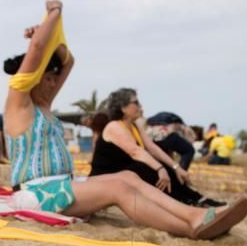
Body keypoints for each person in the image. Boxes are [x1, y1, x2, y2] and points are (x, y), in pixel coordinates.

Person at [2, 0, 247, 240]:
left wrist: (50, 43)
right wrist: (54, 13)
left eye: (55, 78)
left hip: (61, 187)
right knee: (118, 189)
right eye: (48, 78)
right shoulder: (19, 103)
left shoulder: (44, 105)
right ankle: (190, 227)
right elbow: (36, 50)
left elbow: (69, 62)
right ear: (33, 78)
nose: (54, 83)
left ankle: (196, 214)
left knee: (129, 178)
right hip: (37, 193)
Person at [91, 89, 225, 208]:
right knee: (145, 167)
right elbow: (136, 152)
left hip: (123, 175)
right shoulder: (114, 126)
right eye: (136, 102)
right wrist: (159, 169)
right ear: (123, 108)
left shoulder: (134, 126)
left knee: (159, 165)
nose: (140, 106)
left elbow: (152, 147)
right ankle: (185, 203)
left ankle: (196, 199)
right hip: (102, 179)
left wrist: (176, 167)